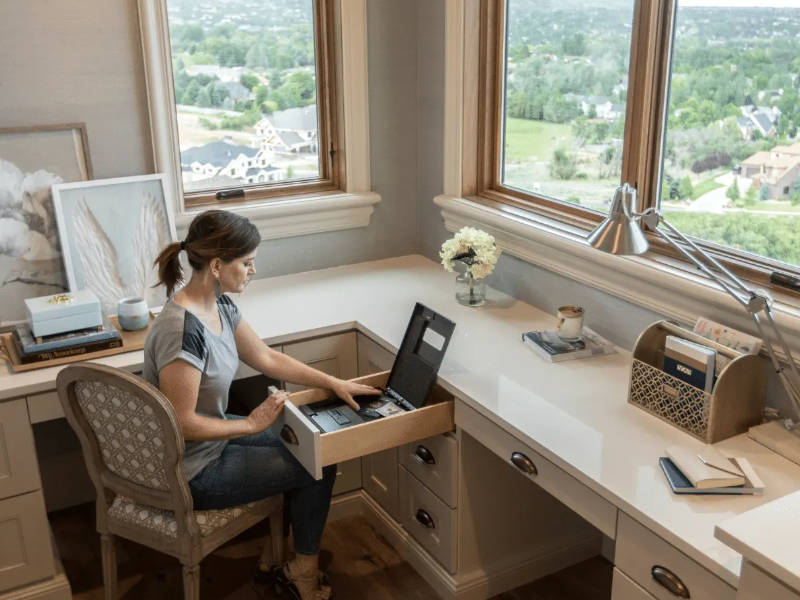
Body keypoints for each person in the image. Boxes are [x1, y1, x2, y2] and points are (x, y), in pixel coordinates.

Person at [144, 209, 380, 600]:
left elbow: (267, 358)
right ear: (218, 265)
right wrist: (251, 425)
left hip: (211, 444)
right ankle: (302, 572)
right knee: (316, 461)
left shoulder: (219, 305)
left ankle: (278, 557)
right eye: (247, 262)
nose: (254, 270)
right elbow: (182, 423)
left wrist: (334, 382)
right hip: (192, 469)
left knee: (312, 443)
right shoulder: (183, 330)